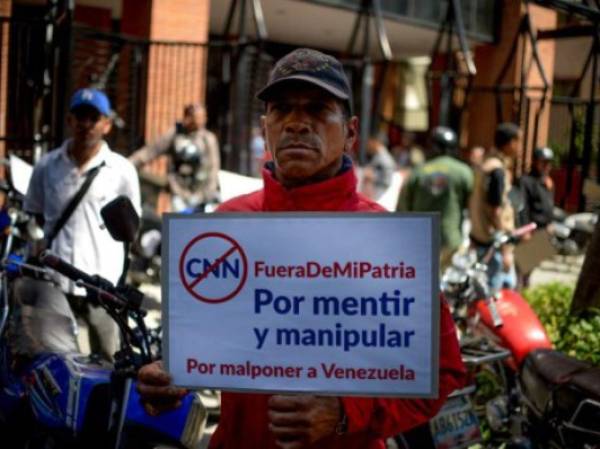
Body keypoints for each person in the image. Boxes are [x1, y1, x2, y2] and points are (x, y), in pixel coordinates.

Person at [136, 48, 466, 449]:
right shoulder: (227, 224)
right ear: (265, 128)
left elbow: (443, 371)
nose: (296, 123)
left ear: (350, 132)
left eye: (317, 108)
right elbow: (203, 351)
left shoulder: (386, 239)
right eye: (282, 110)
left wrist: (346, 413)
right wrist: (171, 378)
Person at [20, 88, 141, 361]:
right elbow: (34, 215)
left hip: (103, 284)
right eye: (80, 117)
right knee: (55, 361)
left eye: (93, 118)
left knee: (111, 364)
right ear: (69, 121)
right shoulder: (47, 166)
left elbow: (131, 227)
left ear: (106, 124)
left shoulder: (121, 171)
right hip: (57, 281)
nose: (86, 125)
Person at [397, 126, 473, 270]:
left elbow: (403, 208)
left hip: (420, 240)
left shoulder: (418, 172)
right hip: (451, 240)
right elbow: (472, 206)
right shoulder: (464, 172)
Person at [129, 103, 220, 212]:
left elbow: (214, 168)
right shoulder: (175, 135)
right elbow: (149, 152)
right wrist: (125, 164)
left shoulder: (208, 139)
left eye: (203, 117)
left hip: (202, 194)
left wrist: (208, 194)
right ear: (188, 117)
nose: (202, 120)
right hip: (179, 193)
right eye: (198, 117)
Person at [469, 122, 520, 290]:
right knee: (498, 290)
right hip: (493, 245)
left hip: (480, 238)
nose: (520, 147)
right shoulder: (497, 170)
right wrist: (506, 250)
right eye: (518, 141)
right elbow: (495, 210)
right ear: (510, 143)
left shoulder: (486, 164)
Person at [519, 146, 555, 229]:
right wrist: (525, 228)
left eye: (549, 162)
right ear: (535, 162)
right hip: (533, 228)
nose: (547, 166)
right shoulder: (526, 181)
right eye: (544, 162)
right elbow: (523, 207)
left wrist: (551, 222)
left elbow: (549, 206)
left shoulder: (548, 181)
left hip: (546, 228)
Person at [361, 135, 397, 200]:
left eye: (370, 143)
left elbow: (387, 179)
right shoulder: (377, 155)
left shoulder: (385, 158)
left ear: (376, 142)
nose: (368, 146)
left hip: (380, 195)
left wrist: (373, 176)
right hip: (373, 193)